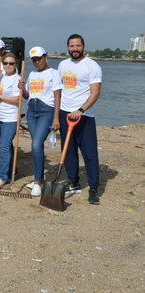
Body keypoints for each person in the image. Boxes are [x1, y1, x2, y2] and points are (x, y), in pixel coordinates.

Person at [57, 34, 102, 205]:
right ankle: (73, 182)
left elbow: (95, 92)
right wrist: (58, 114)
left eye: (78, 45)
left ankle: (93, 189)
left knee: (89, 154)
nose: (75, 49)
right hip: (65, 114)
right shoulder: (63, 64)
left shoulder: (92, 66)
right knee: (68, 151)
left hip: (85, 116)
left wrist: (81, 109)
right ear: (67, 47)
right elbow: (60, 90)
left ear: (83, 46)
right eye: (71, 46)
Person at [19, 46, 62, 196]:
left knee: (36, 144)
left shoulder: (54, 73)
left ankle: (37, 182)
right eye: (34, 60)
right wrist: (22, 89)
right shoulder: (31, 74)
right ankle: (40, 177)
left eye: (39, 58)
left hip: (46, 111)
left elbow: (57, 97)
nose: (37, 62)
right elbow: (27, 96)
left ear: (46, 57)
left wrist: (56, 118)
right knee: (36, 145)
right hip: (32, 110)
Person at [0, 52, 21, 187]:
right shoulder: (0, 77)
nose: (8, 65)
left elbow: (18, 99)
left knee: (3, 146)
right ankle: (11, 169)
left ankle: (3, 176)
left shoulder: (17, 79)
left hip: (10, 118)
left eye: (11, 63)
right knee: (5, 145)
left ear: (15, 65)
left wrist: (0, 97)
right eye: (5, 63)